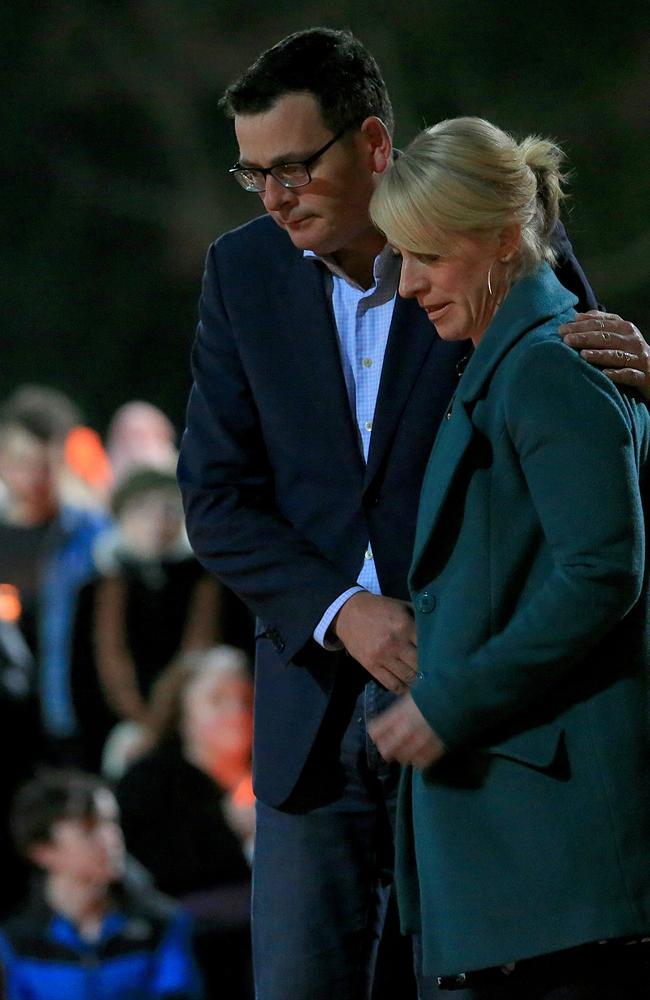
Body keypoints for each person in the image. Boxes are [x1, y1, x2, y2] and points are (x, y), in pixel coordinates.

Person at [176, 27, 650, 1000]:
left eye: (295, 165)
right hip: (312, 708)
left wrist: (644, 384)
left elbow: (589, 407)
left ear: (374, 145)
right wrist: (337, 608)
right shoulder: (241, 272)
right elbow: (215, 496)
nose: (274, 195)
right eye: (252, 172)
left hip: (488, 700)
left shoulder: (488, 237)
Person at [367, 117, 650, 998]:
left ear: (498, 240)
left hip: (551, 856)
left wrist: (448, 700)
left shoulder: (545, 369)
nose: (408, 285)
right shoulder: (524, 361)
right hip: (523, 851)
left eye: (427, 257)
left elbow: (604, 572)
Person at [115, 646, 254, 999]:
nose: (236, 713)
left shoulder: (279, 780)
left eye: (245, 700)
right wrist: (230, 829)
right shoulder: (148, 783)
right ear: (182, 710)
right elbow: (156, 871)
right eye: (217, 700)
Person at [0, 769, 204, 1000]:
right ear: (43, 851)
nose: (111, 838)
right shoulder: (16, 941)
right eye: (88, 828)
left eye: (111, 822)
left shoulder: (161, 923)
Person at [0, 386, 111, 767]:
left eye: (45, 463)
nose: (33, 476)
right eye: (21, 461)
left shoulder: (92, 536)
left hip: (67, 716)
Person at [93, 467, 221, 725]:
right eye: (142, 509)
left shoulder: (204, 580)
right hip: (115, 722)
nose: (157, 520)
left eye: (169, 508)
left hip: (190, 721)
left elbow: (203, 647)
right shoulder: (99, 587)